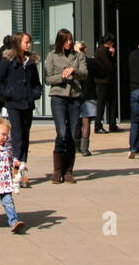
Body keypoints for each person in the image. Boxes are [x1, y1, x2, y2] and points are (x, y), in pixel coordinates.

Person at [0, 32, 40, 189]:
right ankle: (15, 170)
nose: (29, 45)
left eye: (30, 42)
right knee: (17, 137)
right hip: (14, 105)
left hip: (27, 104)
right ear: (18, 43)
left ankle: (21, 169)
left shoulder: (30, 62)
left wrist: (34, 94)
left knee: (25, 137)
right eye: (26, 42)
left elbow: (36, 84)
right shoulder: (8, 60)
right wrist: (10, 93)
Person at [45, 28, 87, 184]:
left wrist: (74, 71)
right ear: (60, 41)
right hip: (58, 98)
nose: (69, 42)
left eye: (71, 39)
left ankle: (68, 171)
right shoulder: (52, 56)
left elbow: (85, 73)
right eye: (66, 40)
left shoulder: (79, 56)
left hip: (74, 98)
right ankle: (57, 170)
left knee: (72, 132)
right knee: (62, 132)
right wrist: (62, 76)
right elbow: (48, 79)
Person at [76, 41, 100, 157]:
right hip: (89, 94)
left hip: (75, 94)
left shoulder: (72, 62)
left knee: (76, 122)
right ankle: (84, 148)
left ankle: (77, 146)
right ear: (84, 50)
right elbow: (101, 73)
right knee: (86, 122)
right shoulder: (90, 61)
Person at [95, 34, 118, 133]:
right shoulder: (101, 51)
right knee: (102, 103)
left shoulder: (101, 50)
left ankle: (112, 124)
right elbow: (109, 66)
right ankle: (98, 125)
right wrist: (112, 55)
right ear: (110, 43)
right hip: (103, 81)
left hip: (105, 80)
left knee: (111, 103)